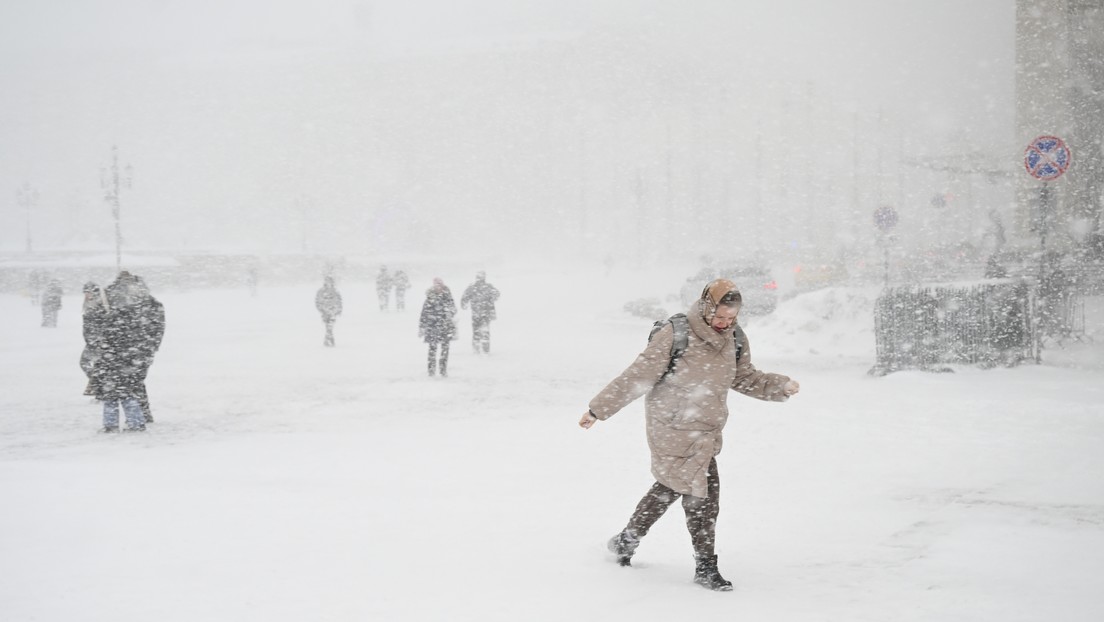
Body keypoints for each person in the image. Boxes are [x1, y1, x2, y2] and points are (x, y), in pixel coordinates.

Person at [578, 279, 800, 591]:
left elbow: (744, 377)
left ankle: (626, 541)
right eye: (719, 317)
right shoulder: (677, 334)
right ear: (707, 307)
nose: (724, 324)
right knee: (704, 496)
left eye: (731, 318)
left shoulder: (734, 337)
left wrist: (778, 385)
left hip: (705, 428)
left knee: (670, 487)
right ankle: (706, 568)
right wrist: (598, 410)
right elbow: (637, 375)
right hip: (670, 426)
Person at [96, 272, 166, 431]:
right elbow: (158, 329)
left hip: (121, 352)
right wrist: (150, 347)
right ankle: (140, 417)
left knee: (121, 390)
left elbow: (101, 325)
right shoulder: (151, 304)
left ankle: (126, 421)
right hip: (136, 351)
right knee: (133, 385)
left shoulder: (116, 307)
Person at [419, 278, 456, 377]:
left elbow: (453, 309)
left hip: (445, 327)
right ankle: (431, 370)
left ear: (442, 286)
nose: (438, 287)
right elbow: (423, 313)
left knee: (445, 350)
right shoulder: (429, 298)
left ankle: (443, 370)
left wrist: (449, 312)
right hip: (432, 327)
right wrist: (421, 327)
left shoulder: (447, 297)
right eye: (436, 285)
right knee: (432, 349)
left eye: (440, 285)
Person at [80, 282, 110, 396]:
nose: (86, 295)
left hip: (97, 341)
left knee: (86, 363)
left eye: (88, 292)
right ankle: (99, 385)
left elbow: (100, 325)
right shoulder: (90, 305)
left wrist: (97, 340)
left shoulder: (98, 306)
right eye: (85, 293)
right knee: (93, 365)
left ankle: (98, 385)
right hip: (92, 341)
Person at [461, 271, 500, 354]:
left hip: (477, 313)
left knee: (476, 332)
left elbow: (464, 298)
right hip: (485, 313)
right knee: (484, 331)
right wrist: (491, 299)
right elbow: (497, 294)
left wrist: (464, 304)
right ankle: (485, 350)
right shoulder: (487, 287)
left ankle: (477, 349)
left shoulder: (472, 287)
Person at [315, 276, 343, 347]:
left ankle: (329, 338)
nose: (329, 283)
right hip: (325, 311)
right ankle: (329, 338)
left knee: (330, 325)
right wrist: (321, 309)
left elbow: (339, 301)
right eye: (327, 281)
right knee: (327, 325)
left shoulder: (335, 291)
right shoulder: (321, 291)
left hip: (333, 311)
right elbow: (317, 301)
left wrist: (339, 309)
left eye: (330, 281)